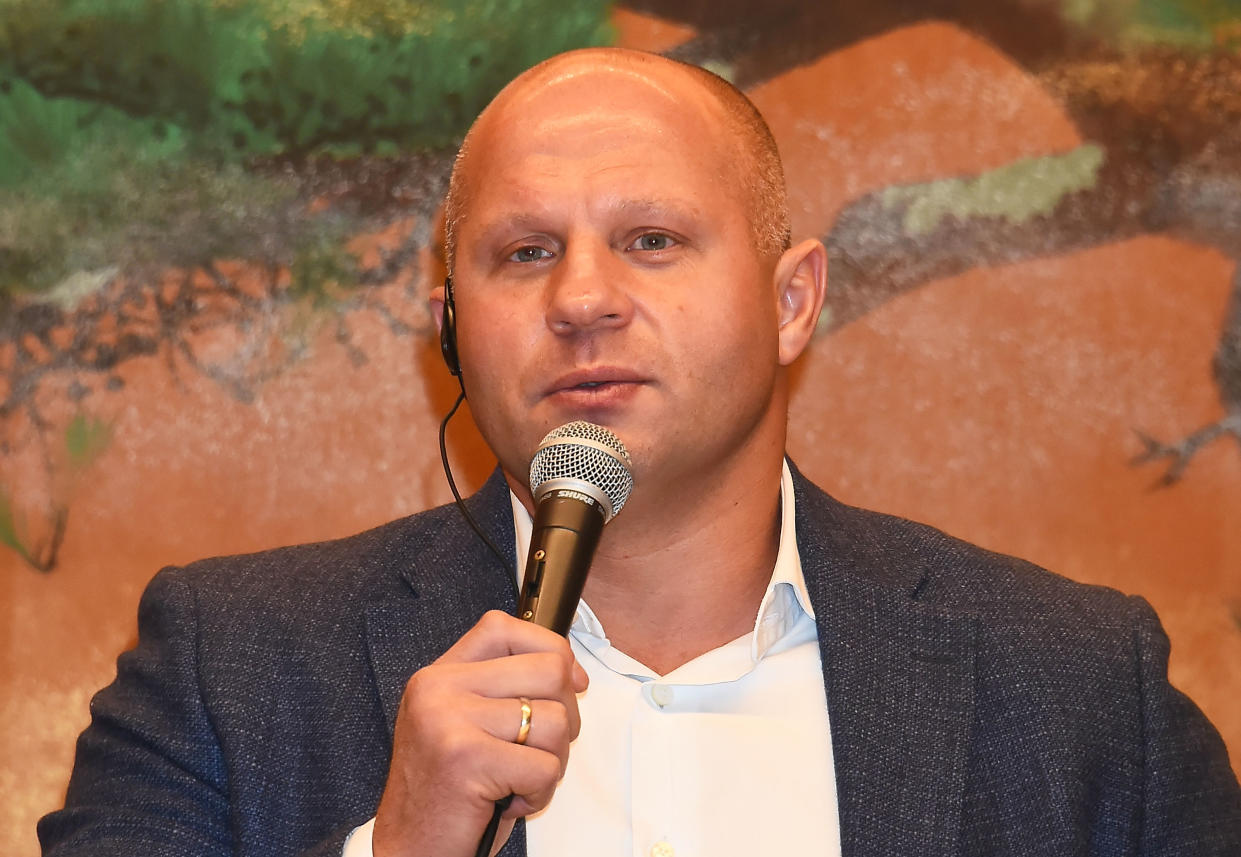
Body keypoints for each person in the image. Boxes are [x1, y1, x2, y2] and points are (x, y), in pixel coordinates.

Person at [39, 47, 1241, 857]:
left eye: (652, 238)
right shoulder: (226, 665)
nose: (581, 299)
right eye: (520, 253)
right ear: (451, 321)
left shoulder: (1082, 687)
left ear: (790, 300)